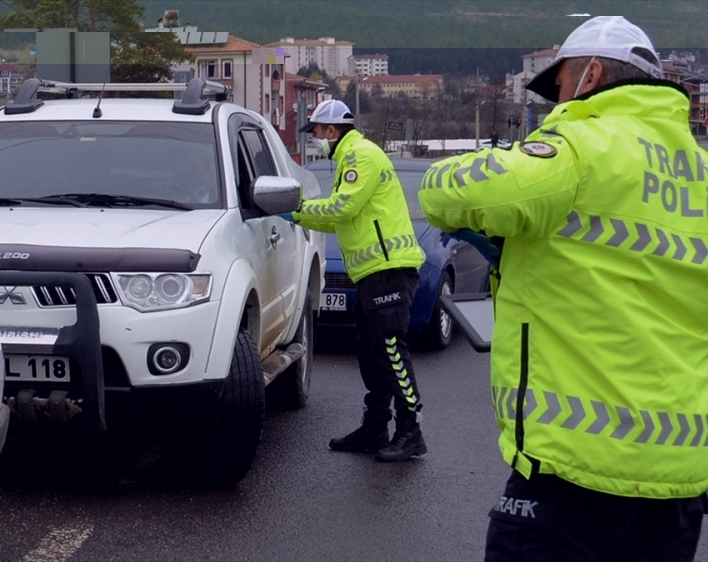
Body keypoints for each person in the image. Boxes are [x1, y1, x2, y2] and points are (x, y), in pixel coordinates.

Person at [417, 16, 708, 561]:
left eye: (560, 85)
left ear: (591, 74)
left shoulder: (580, 143)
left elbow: (449, 196)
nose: (556, 102)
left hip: (575, 473)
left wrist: (446, 181)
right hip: (681, 482)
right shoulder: (699, 170)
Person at [281, 99, 428, 462]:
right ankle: (376, 426)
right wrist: (299, 218)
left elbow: (341, 207)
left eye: (314, 132)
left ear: (331, 131)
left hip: (389, 269)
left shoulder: (361, 155)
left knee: (392, 351)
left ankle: (411, 432)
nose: (313, 138)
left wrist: (295, 209)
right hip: (371, 272)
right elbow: (338, 220)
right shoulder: (349, 157)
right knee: (371, 352)